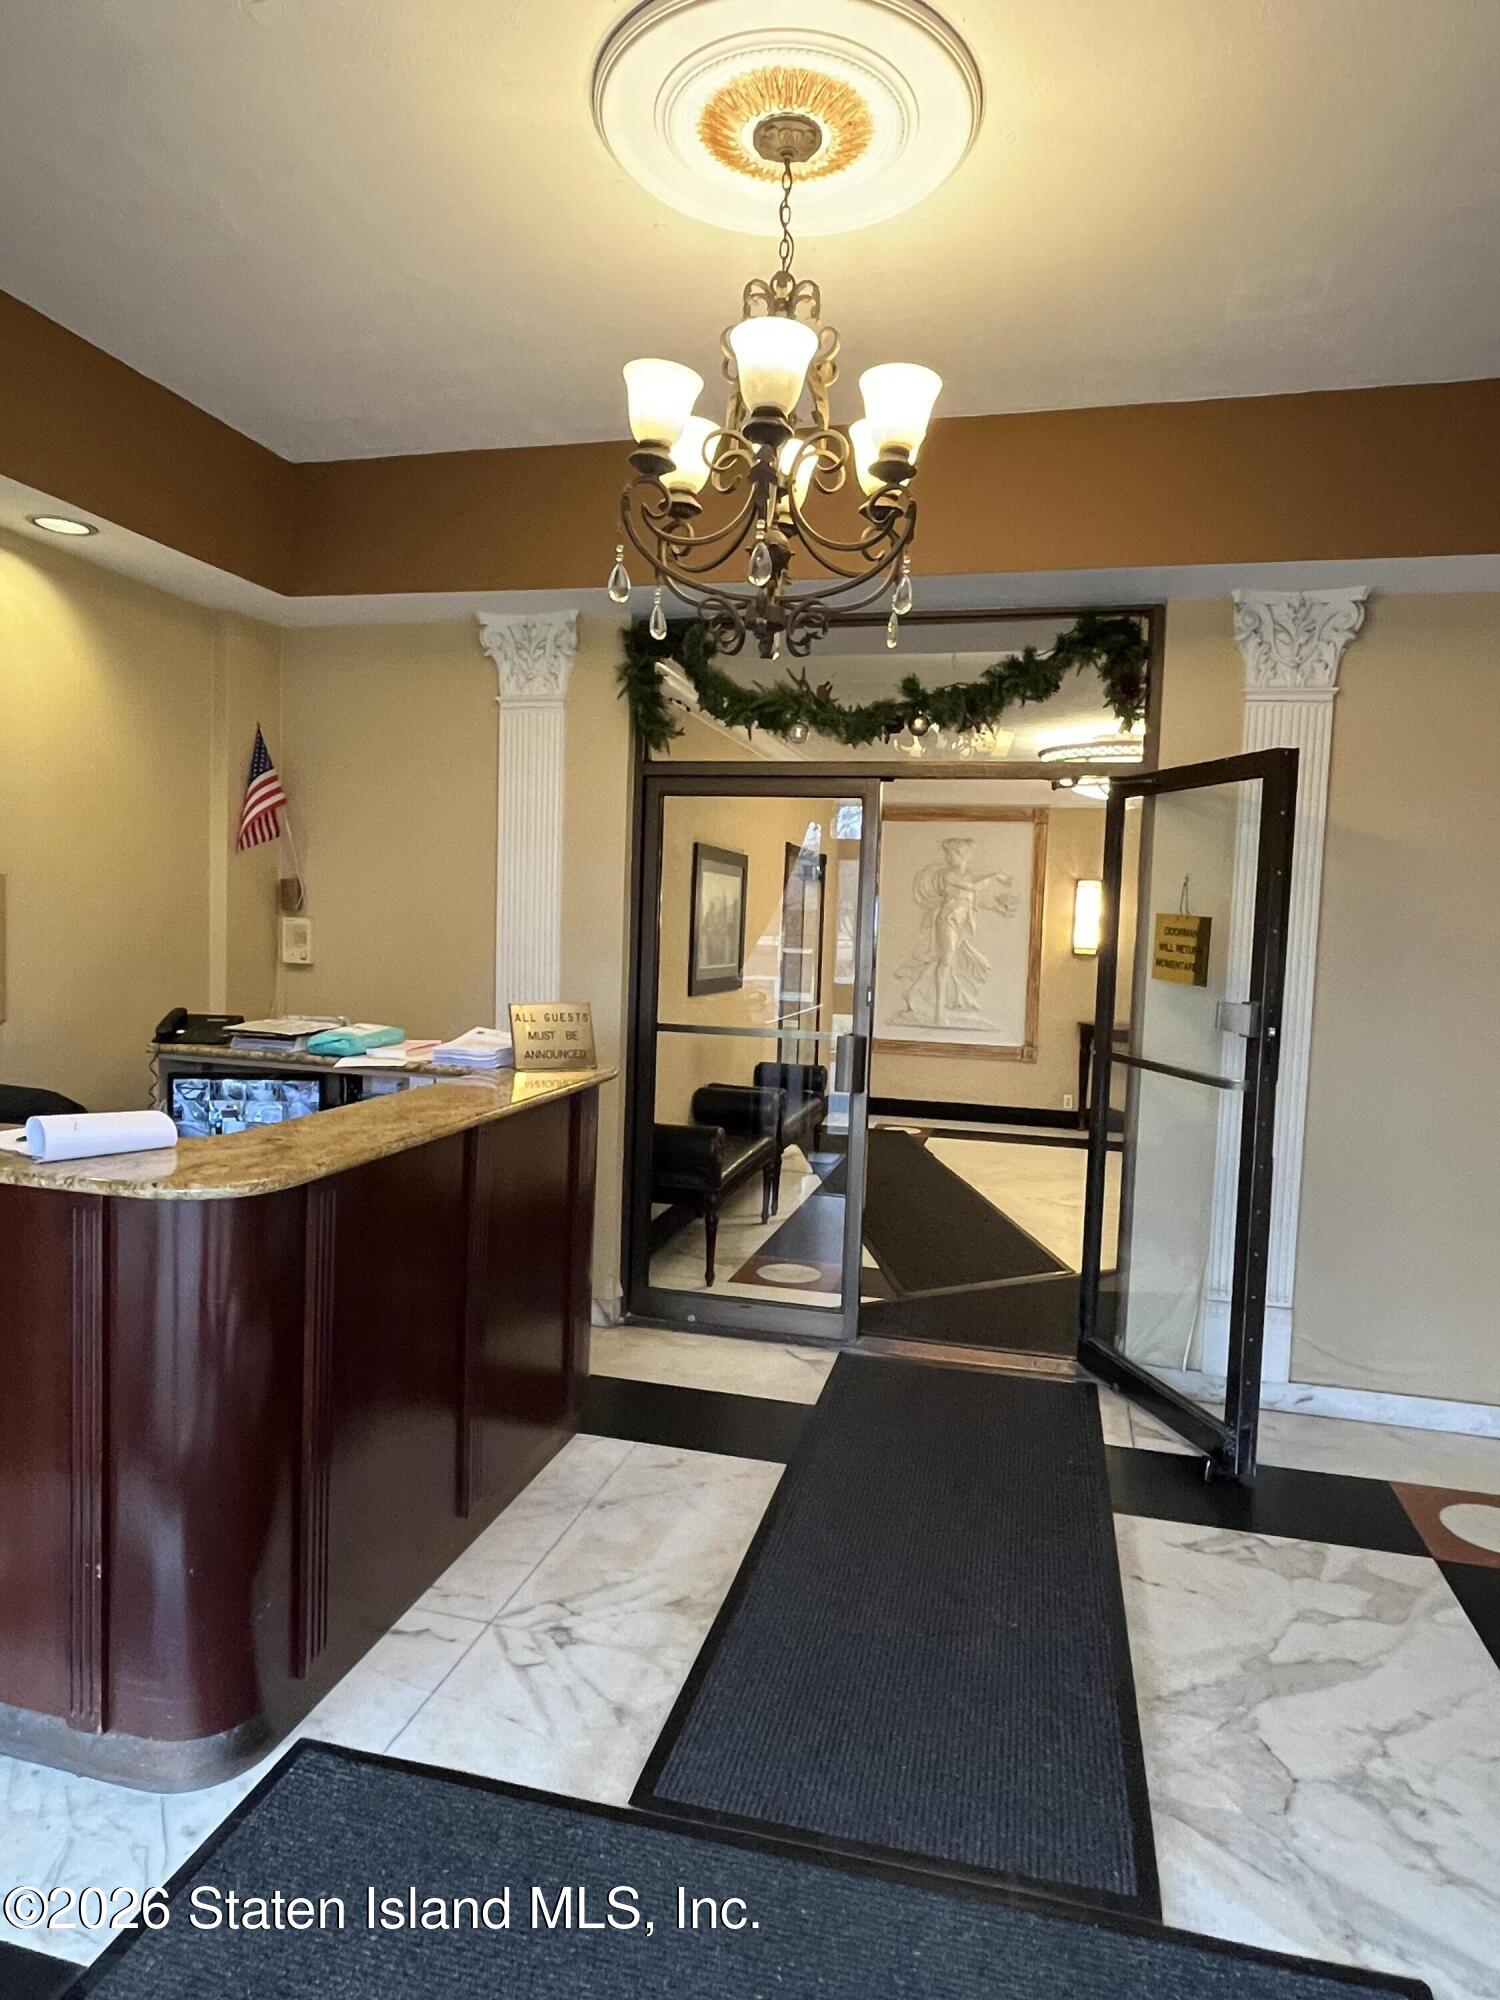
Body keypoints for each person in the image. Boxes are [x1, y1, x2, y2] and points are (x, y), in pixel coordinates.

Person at [895, 836, 1018, 1027]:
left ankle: (912, 992)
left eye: (955, 854)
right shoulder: (949, 876)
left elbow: (974, 900)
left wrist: (999, 908)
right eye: (949, 854)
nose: (950, 858)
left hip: (961, 924)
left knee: (939, 960)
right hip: (947, 921)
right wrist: (996, 875)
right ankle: (938, 1011)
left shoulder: (967, 876)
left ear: (965, 856)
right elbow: (975, 888)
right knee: (945, 963)